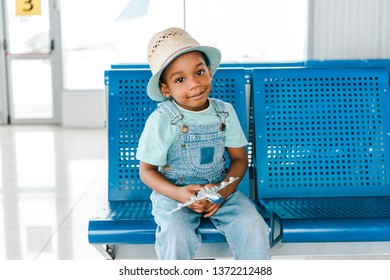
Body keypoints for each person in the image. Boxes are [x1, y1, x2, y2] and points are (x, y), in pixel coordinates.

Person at [136, 27, 270, 260]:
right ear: (166, 89)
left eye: (199, 72)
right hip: (173, 195)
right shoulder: (162, 120)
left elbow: (239, 159)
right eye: (180, 79)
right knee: (176, 234)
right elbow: (146, 171)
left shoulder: (224, 113)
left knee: (253, 227)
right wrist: (179, 194)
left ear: (209, 71)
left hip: (220, 190)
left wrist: (224, 191)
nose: (194, 84)